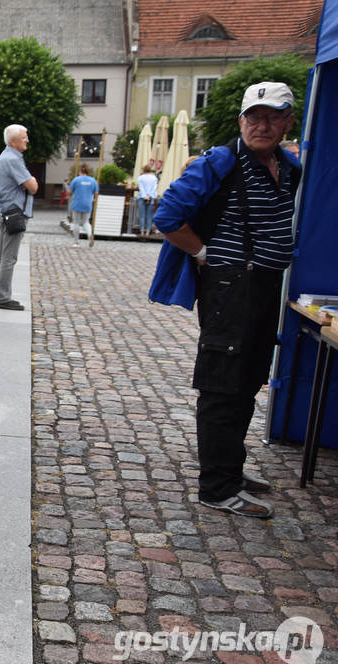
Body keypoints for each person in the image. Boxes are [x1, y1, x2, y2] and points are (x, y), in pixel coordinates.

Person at [153, 82, 300, 519]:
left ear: (288, 121)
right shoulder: (220, 161)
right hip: (230, 288)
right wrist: (202, 254)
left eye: (273, 116)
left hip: (267, 286)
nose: (262, 124)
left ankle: (230, 470)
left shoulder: (288, 167)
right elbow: (167, 216)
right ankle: (216, 487)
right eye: (253, 116)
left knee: (249, 380)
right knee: (222, 386)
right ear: (241, 121)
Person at [0, 124, 38, 310]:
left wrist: (27, 183)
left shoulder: (6, 157)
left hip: (6, 212)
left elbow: (27, 184)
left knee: (2, 257)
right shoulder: (13, 159)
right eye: (24, 137)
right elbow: (33, 187)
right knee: (9, 257)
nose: (27, 140)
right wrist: (29, 182)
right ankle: (3, 297)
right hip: (14, 213)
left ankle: (1, 294)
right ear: (13, 141)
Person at [66, 164, 99, 246]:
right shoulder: (93, 180)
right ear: (88, 172)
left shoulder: (76, 180)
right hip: (88, 204)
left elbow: (69, 192)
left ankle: (76, 241)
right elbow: (96, 193)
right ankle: (89, 234)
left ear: (80, 171)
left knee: (76, 222)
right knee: (86, 222)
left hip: (77, 203)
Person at [136, 164, 158, 239]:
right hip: (151, 197)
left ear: (143, 170)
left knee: (142, 215)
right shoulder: (154, 178)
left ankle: (142, 231)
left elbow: (141, 188)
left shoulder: (140, 178)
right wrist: (149, 195)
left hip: (141, 197)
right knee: (149, 216)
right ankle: (148, 232)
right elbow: (154, 188)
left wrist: (144, 195)